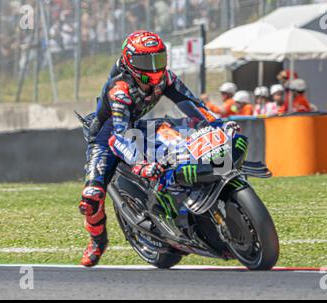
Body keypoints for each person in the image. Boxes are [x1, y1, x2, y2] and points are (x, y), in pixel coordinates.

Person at [78, 31, 235, 267]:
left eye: (158, 60)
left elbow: (191, 104)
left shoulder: (166, 78)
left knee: (181, 141)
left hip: (139, 127)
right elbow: (119, 136)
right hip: (107, 139)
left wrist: (218, 124)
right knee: (90, 198)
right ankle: (97, 241)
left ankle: (184, 202)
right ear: (130, 61)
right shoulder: (119, 90)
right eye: (145, 62)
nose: (153, 68)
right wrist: (140, 163)